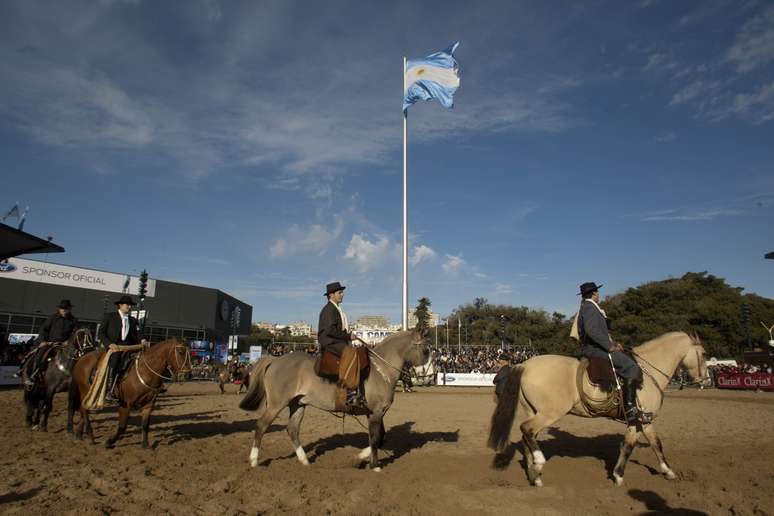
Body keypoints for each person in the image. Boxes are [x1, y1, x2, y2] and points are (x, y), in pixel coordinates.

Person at [575, 282, 651, 426]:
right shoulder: (590, 308)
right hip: (595, 349)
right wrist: (609, 346)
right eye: (598, 292)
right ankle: (630, 410)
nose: (599, 295)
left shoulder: (587, 307)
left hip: (597, 347)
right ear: (595, 293)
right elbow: (592, 331)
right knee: (631, 367)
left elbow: (600, 333)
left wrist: (615, 344)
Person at [317, 281, 366, 409]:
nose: (342, 295)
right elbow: (329, 331)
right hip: (329, 341)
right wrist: (347, 336)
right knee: (351, 353)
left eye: (342, 292)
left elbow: (338, 330)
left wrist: (348, 335)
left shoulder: (337, 309)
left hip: (337, 340)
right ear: (331, 295)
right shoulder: (329, 309)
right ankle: (349, 393)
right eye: (340, 293)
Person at [99, 295, 146, 403]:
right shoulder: (109, 316)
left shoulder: (133, 320)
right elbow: (101, 333)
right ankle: (109, 391)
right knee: (115, 363)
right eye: (127, 305)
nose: (129, 307)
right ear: (120, 305)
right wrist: (109, 344)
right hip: (114, 347)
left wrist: (143, 339)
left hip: (129, 347)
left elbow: (138, 333)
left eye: (130, 305)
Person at [20, 299, 79, 387]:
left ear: (69, 309)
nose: (64, 310)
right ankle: (33, 376)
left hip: (64, 345)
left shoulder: (73, 320)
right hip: (49, 343)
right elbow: (44, 330)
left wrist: (69, 341)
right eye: (62, 308)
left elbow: (75, 333)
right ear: (59, 309)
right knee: (40, 356)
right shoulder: (53, 317)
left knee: (76, 358)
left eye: (66, 308)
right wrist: (43, 341)